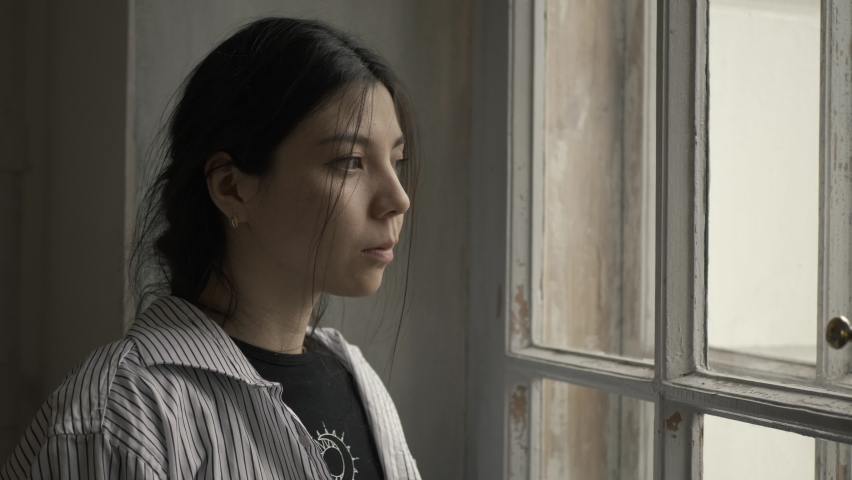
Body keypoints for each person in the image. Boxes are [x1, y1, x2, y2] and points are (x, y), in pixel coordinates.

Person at [0, 17, 422, 480]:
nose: (398, 199)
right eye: (349, 162)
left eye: (396, 162)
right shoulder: (121, 415)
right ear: (231, 188)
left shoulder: (357, 380)